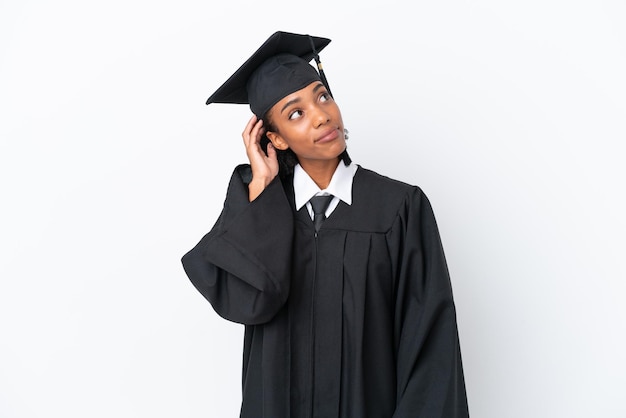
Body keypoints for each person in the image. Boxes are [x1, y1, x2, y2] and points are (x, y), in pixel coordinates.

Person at [182, 31, 469, 418]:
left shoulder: (400, 209)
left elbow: (431, 348)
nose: (321, 115)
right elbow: (246, 300)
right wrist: (261, 191)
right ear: (275, 139)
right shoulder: (262, 210)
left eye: (322, 96)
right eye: (295, 113)